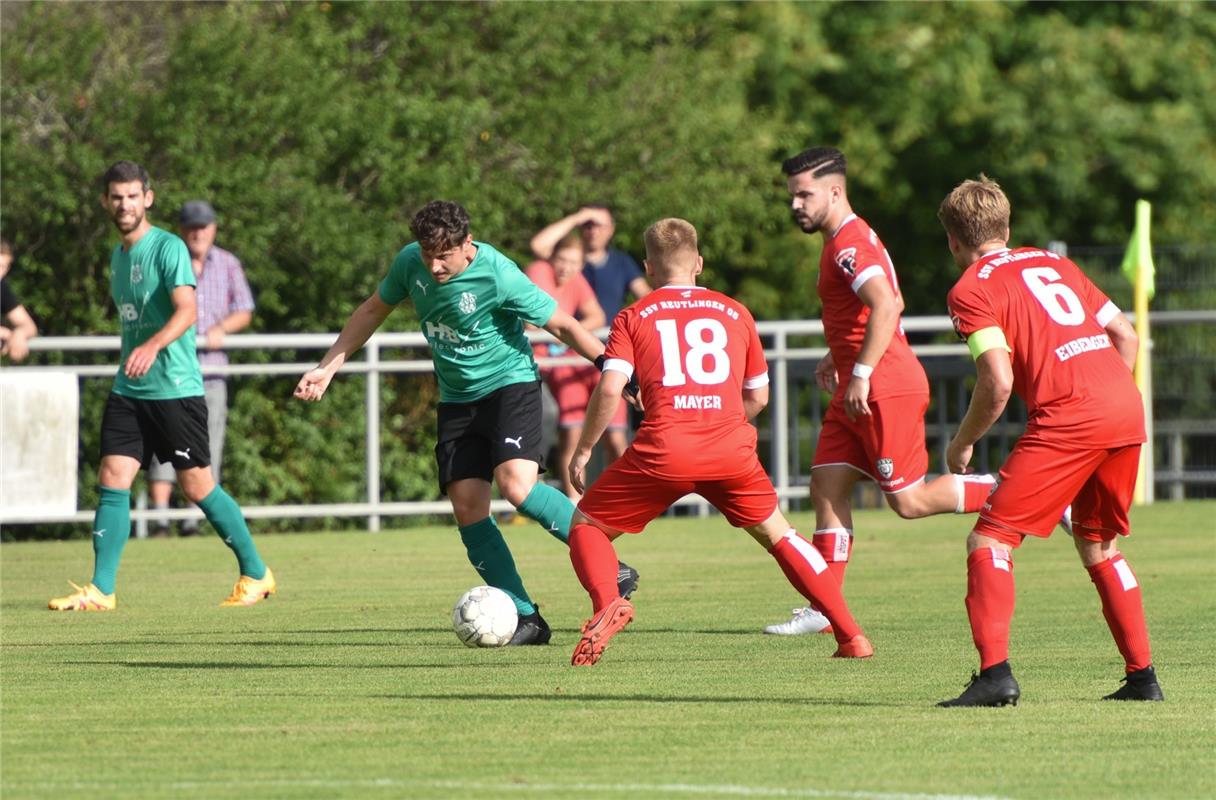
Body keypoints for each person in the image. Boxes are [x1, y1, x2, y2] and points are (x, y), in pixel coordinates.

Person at [294, 201, 638, 645]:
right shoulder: (409, 263)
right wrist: (328, 366)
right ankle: (526, 617)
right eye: (426, 254)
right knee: (468, 508)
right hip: (457, 400)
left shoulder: (498, 272)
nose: (434, 266)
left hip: (509, 386)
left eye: (444, 256)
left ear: (466, 245)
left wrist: (610, 367)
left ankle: (606, 563)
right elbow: (371, 311)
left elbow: (562, 324)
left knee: (516, 486)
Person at [564, 217, 872, 666]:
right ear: (700, 263)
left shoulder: (632, 316)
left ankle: (607, 604)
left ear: (649, 267)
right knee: (780, 536)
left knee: (587, 527)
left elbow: (612, 388)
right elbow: (759, 397)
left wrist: (585, 449)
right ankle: (850, 636)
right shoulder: (735, 311)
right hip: (729, 450)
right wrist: (718, 421)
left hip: (664, 448)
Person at [936, 176, 1162, 706]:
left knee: (989, 540)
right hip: (1124, 407)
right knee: (1099, 545)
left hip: (1070, 418)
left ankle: (994, 677)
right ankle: (1143, 679)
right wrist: (1106, 399)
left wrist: (962, 444)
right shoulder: (1054, 264)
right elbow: (1125, 335)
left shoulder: (971, 289)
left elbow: (998, 381)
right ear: (1007, 227)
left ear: (952, 241)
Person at [765, 146, 1000, 636]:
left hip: (883, 388)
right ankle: (825, 608)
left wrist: (861, 371)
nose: (796, 205)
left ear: (835, 192)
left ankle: (1020, 489)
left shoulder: (850, 245)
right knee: (828, 487)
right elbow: (885, 303)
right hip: (862, 386)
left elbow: (887, 305)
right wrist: (841, 353)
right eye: (792, 196)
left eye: (804, 194)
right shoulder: (846, 238)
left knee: (909, 502)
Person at [49, 161, 274, 611]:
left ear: (147, 198)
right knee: (113, 478)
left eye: (133, 195)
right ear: (105, 202)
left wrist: (152, 345)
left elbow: (187, 312)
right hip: (130, 389)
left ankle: (256, 572)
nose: (125, 204)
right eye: (116, 196)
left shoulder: (168, 247)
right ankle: (102, 590)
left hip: (175, 388)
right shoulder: (117, 256)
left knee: (197, 488)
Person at [147, 200, 255, 537]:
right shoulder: (165, 260)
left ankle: (193, 522)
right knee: (163, 447)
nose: (198, 232)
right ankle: (160, 520)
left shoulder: (228, 263)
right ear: (182, 230)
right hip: (170, 370)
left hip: (210, 372)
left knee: (208, 447)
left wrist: (222, 329)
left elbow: (245, 308)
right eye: (192, 227)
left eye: (203, 226)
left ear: (213, 228)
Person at [531, 206, 651, 460]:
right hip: (568, 360)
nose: (593, 230)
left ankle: (629, 497)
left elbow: (647, 299)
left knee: (615, 436)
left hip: (608, 355)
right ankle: (572, 499)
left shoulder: (621, 262)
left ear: (612, 230)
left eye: (599, 224)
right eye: (588, 225)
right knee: (571, 436)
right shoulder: (569, 264)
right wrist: (576, 217)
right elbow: (539, 246)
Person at [525, 232, 608, 499]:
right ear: (552, 257)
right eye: (562, 259)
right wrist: (567, 334)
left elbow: (597, 316)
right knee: (546, 416)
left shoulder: (577, 280)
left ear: (581, 264)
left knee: (576, 428)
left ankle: (576, 500)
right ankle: (531, 488)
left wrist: (570, 333)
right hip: (532, 366)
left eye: (573, 262)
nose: (566, 267)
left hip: (564, 368)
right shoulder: (538, 271)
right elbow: (532, 323)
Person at [0, 238, 39, 362]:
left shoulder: (2, 289)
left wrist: (19, 334)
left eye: (2, 267)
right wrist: (4, 333)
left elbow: (29, 325)